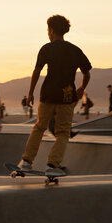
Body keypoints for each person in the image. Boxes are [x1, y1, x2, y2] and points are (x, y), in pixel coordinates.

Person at [17, 15, 91, 176]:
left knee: (39, 128)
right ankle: (52, 165)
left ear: (51, 30)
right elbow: (87, 73)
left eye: (48, 31)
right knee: (63, 133)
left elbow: (36, 71)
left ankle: (26, 162)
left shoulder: (46, 49)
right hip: (66, 97)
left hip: (48, 96)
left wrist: (30, 94)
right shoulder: (75, 50)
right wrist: (81, 88)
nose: (48, 34)